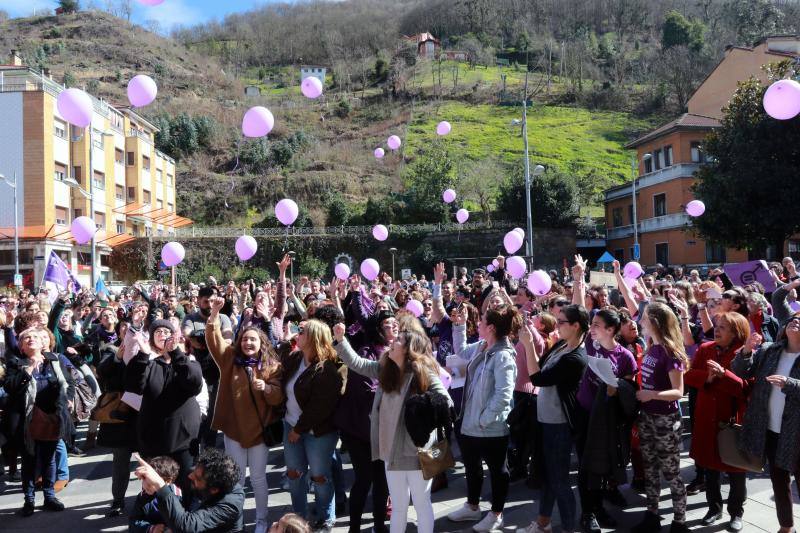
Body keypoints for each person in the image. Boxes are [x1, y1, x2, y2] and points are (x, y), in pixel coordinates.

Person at [333, 324, 448, 533]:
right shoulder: (386, 369)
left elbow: (444, 401)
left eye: (398, 341)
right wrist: (341, 341)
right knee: (398, 508)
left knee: (421, 504)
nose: (392, 341)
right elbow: (357, 363)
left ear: (408, 350)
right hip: (389, 453)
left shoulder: (423, 373)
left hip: (417, 453)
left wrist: (419, 408)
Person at [206, 295, 284, 533]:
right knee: (236, 480)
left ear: (261, 343)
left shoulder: (272, 365)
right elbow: (214, 341)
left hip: (260, 432)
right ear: (239, 342)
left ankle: (261, 521)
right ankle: (236, 521)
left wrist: (267, 388)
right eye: (245, 339)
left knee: (259, 479)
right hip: (234, 431)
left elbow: (278, 396)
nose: (248, 343)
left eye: (253, 340)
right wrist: (214, 315)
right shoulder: (229, 359)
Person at [446, 305, 520, 532]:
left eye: (481, 321)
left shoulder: (503, 356)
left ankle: (496, 514)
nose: (477, 324)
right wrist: (459, 325)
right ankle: (472, 506)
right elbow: (460, 350)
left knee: (498, 472)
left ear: (491, 327)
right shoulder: (481, 346)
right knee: (472, 467)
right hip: (470, 424)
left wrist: (484, 419)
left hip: (490, 428)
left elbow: (504, 395)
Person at [522, 304, 589, 533]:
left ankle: (569, 528)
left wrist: (528, 345)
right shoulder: (562, 344)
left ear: (575, 326)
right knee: (548, 475)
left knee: (559, 480)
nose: (557, 325)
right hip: (546, 420)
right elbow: (541, 366)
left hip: (558, 424)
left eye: (561, 322)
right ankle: (543, 523)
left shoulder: (576, 357)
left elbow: (538, 378)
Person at [733, 311, 800, 533]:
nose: (796, 321)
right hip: (771, 428)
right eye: (794, 319)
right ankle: (786, 526)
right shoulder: (770, 350)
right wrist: (746, 350)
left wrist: (789, 384)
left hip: (796, 433)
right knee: (779, 482)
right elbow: (741, 371)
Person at [684, 312, 750, 531]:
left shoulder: (745, 353)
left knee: (736, 470)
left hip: (731, 421)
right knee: (710, 468)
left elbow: (747, 388)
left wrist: (724, 375)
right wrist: (708, 378)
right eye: (717, 326)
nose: (717, 330)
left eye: (723, 327)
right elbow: (689, 375)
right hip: (706, 418)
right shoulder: (705, 349)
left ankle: (736, 513)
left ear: (736, 332)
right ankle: (714, 509)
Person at [576, 308, 637, 532]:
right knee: (585, 467)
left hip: (606, 420)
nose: (591, 328)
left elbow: (629, 392)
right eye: (591, 324)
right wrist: (578, 281)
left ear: (610, 330)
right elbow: (579, 308)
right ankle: (588, 513)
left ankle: (599, 507)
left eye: (596, 325)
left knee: (601, 467)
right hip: (584, 414)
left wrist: (617, 389)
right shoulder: (591, 344)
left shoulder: (625, 357)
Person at [125, 318, 204, 492]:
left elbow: (193, 383)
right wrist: (143, 355)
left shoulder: (188, 361)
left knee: (188, 486)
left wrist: (175, 353)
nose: (162, 334)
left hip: (184, 440)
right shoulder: (148, 363)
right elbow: (133, 385)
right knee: (155, 487)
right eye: (157, 332)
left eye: (166, 332)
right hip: (154, 440)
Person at [280, 319, 344, 532]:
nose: (298, 333)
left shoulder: (326, 368)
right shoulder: (295, 358)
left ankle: (326, 517)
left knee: (319, 476)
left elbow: (320, 407)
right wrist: (285, 340)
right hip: (291, 425)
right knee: (294, 474)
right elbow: (276, 359)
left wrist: (299, 430)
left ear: (314, 337)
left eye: (302, 331)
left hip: (317, 432)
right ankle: (299, 518)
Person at [333, 310, 394, 533]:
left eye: (396, 323)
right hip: (359, 428)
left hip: (383, 430)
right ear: (378, 329)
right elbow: (367, 385)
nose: (394, 328)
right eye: (388, 325)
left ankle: (379, 526)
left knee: (382, 481)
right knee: (364, 478)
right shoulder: (368, 352)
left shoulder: (400, 354)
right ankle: (354, 528)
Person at [632, 302, 690, 533]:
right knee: (650, 468)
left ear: (655, 322)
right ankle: (652, 515)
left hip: (665, 420)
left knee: (671, 472)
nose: (640, 321)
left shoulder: (670, 352)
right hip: (647, 417)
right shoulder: (650, 347)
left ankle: (680, 521)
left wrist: (651, 394)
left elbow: (679, 391)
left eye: (644, 318)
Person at [3, 327, 73, 516]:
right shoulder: (15, 363)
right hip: (27, 422)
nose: (31, 339)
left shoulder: (53, 361)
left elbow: (68, 382)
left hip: (51, 419)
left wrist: (68, 398)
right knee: (29, 461)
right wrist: (29, 369)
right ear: (22, 346)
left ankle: (49, 496)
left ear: (44, 343)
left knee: (50, 460)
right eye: (26, 338)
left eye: (35, 337)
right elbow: (10, 387)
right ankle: (29, 500)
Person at [134, 448, 245, 533]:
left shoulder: (231, 503)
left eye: (197, 478)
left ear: (214, 489)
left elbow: (186, 526)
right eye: (194, 470)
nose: (190, 476)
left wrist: (160, 485)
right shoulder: (201, 475)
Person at [182, 286, 234, 449]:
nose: (210, 305)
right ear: (198, 301)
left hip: (217, 371)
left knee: (212, 411)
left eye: (213, 301)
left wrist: (208, 339)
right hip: (196, 371)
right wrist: (194, 338)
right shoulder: (190, 318)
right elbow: (188, 333)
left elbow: (227, 339)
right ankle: (194, 445)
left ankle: (209, 447)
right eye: (206, 301)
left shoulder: (223, 317)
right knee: (195, 410)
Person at [130, 455, 182, 532]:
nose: (146, 485)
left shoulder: (178, 495)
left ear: (168, 481)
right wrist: (150, 528)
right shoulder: (142, 497)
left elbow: (187, 521)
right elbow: (134, 522)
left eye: (151, 482)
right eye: (144, 478)